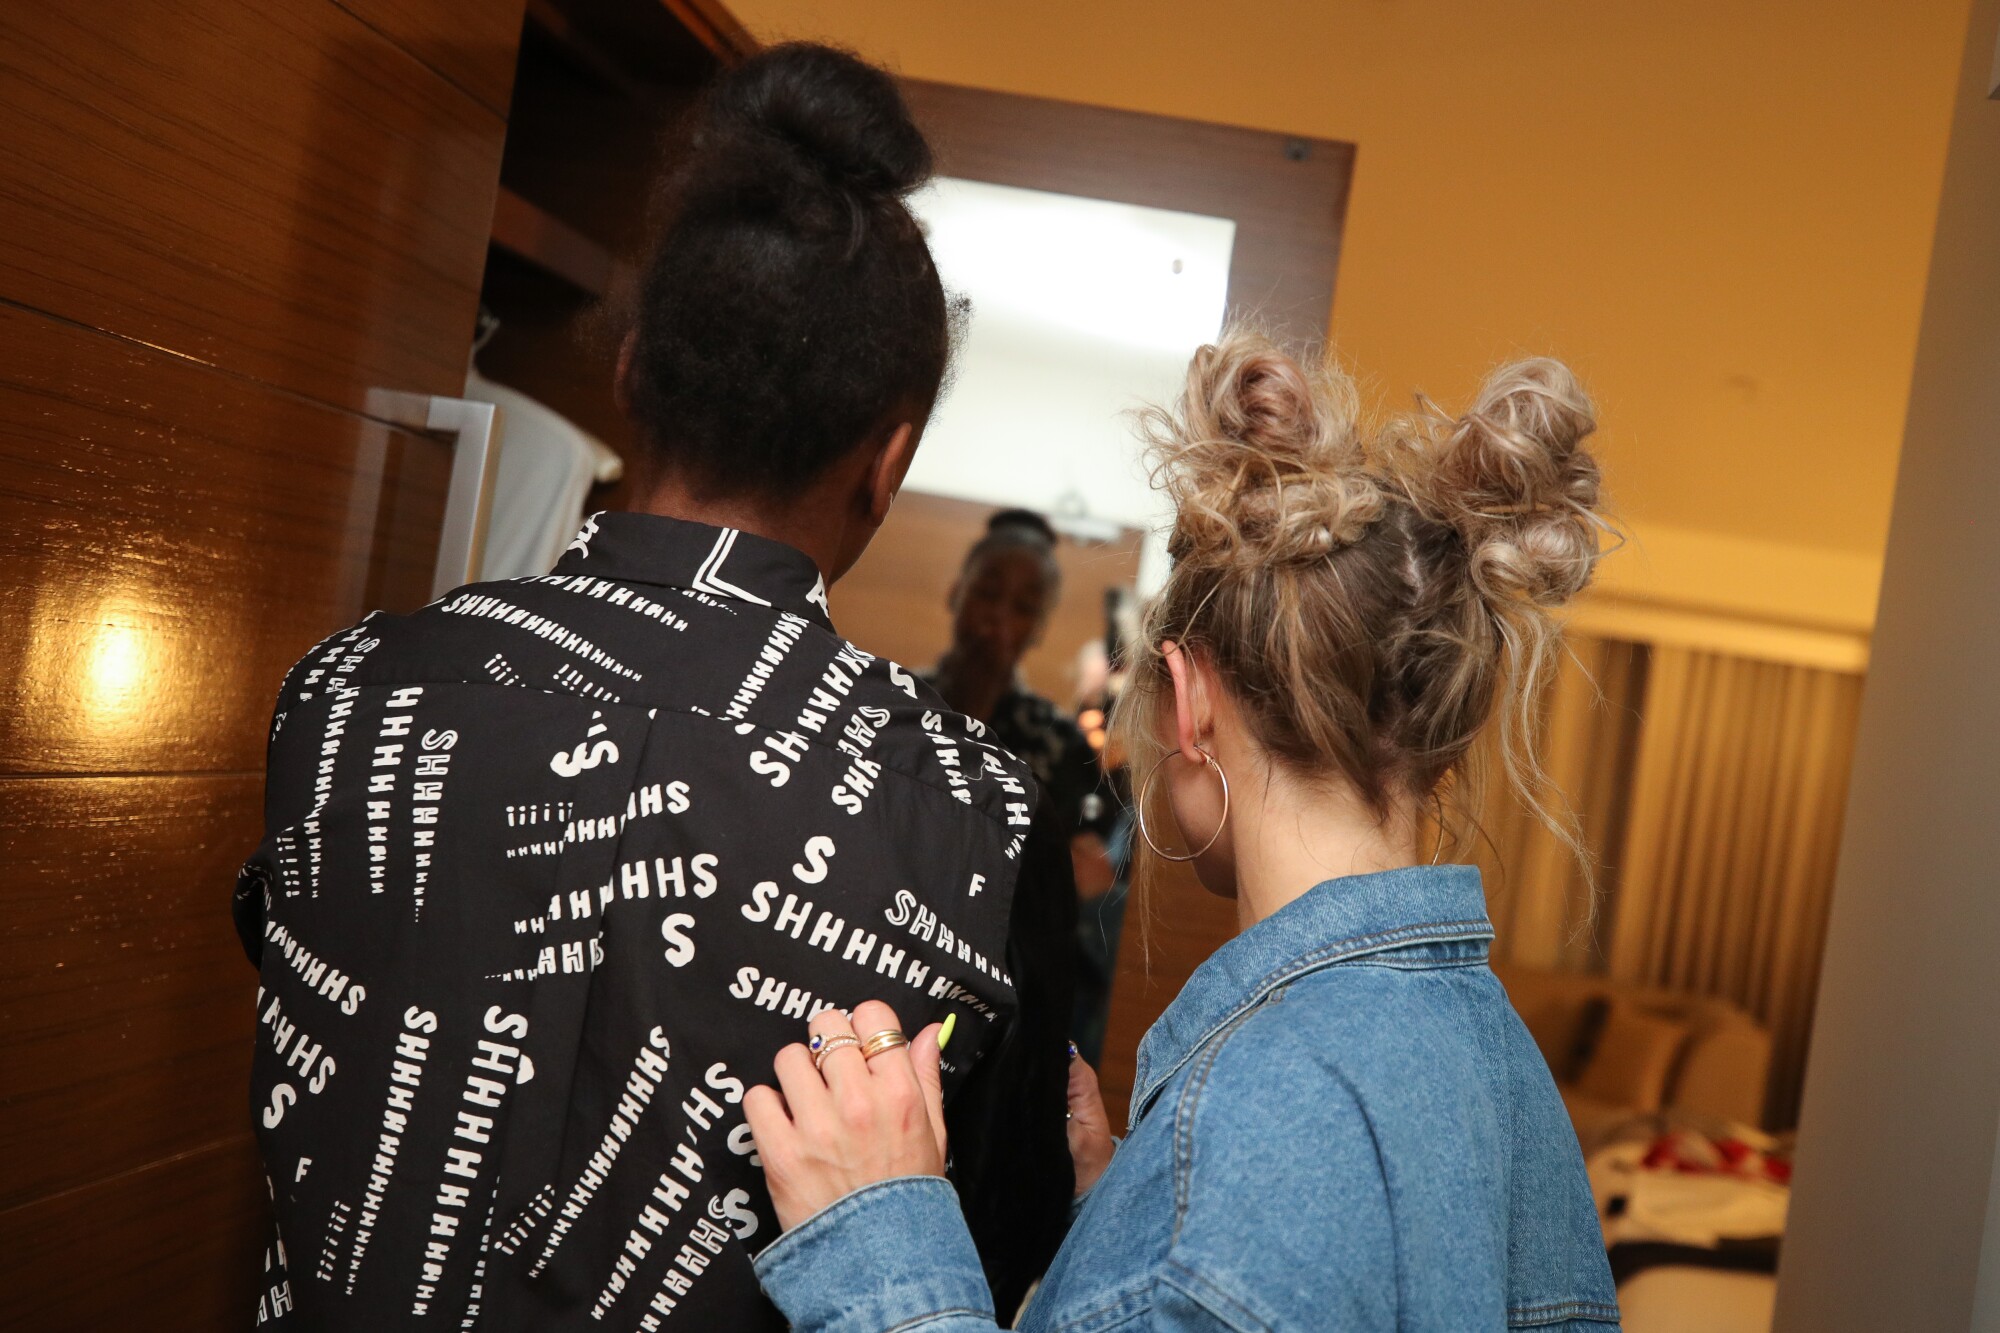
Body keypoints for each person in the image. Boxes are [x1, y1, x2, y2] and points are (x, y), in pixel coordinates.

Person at [230, 44, 1072, 1330]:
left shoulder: (343, 698)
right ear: (887, 460)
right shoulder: (978, 820)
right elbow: (991, 1267)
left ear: (629, 372)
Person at [742, 329, 1624, 1331]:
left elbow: (1262, 1234)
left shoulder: (1257, 1119)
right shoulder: (1504, 1066)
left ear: (1190, 700)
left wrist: (879, 1237)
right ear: (1436, 737)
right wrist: (1123, 1219)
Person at [925, 511, 1123, 1057]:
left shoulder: (1062, 745)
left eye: (1024, 608)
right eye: (988, 593)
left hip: (1006, 992)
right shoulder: (894, 707)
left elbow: (1089, 872)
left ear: (1039, 626)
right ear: (955, 592)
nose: (1000, 621)